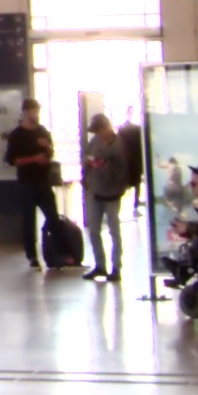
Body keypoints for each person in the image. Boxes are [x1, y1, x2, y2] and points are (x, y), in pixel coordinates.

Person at [82, 109, 143, 282]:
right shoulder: (95, 141)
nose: (98, 135)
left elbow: (121, 173)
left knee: (114, 231)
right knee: (94, 230)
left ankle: (116, 267)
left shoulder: (119, 146)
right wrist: (88, 164)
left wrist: (104, 166)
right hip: (94, 190)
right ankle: (100, 266)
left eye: (99, 131)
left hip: (112, 193)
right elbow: (87, 155)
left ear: (107, 127)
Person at [5, 113, 61, 267]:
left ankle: (58, 253)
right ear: (25, 113)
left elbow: (50, 153)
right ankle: (32, 255)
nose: (35, 115)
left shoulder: (42, 131)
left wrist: (47, 146)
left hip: (44, 182)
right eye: (32, 112)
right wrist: (34, 159)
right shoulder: (17, 135)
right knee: (29, 220)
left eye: (37, 111)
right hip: (26, 183)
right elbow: (12, 160)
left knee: (53, 217)